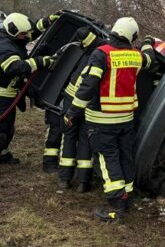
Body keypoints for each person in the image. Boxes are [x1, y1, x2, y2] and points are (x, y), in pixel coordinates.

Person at [64, 17, 157, 221]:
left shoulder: (101, 54)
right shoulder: (136, 56)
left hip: (101, 120)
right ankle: (126, 196)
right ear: (132, 37)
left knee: (108, 159)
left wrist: (72, 112)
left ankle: (116, 206)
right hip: (125, 120)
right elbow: (151, 59)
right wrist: (149, 43)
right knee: (125, 156)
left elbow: (88, 87)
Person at [0, 11, 59, 178]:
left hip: (4, 91)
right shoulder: (4, 47)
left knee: (7, 126)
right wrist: (42, 61)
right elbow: (14, 67)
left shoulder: (10, 35)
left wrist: (48, 21)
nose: (26, 36)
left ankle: (1, 153)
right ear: (14, 33)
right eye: (23, 34)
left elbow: (31, 32)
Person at [55, 26, 104, 191]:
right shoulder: (105, 53)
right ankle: (84, 182)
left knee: (69, 137)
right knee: (85, 140)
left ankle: (64, 179)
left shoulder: (90, 53)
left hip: (72, 102)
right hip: (90, 104)